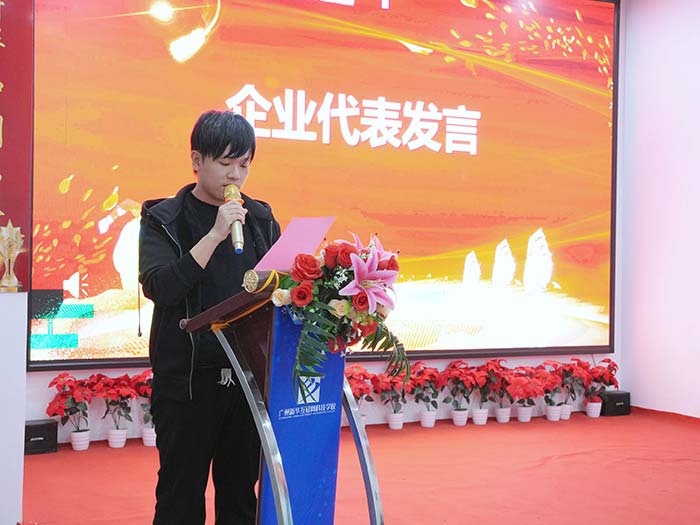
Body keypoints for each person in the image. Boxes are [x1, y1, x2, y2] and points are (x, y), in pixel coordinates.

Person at [139, 110, 281, 524]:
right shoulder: (164, 219)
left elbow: (278, 287)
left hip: (247, 379)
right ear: (197, 160)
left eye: (244, 164)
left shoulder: (260, 218)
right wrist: (216, 234)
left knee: (239, 494)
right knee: (180, 496)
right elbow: (161, 287)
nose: (235, 175)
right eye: (225, 163)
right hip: (187, 383)